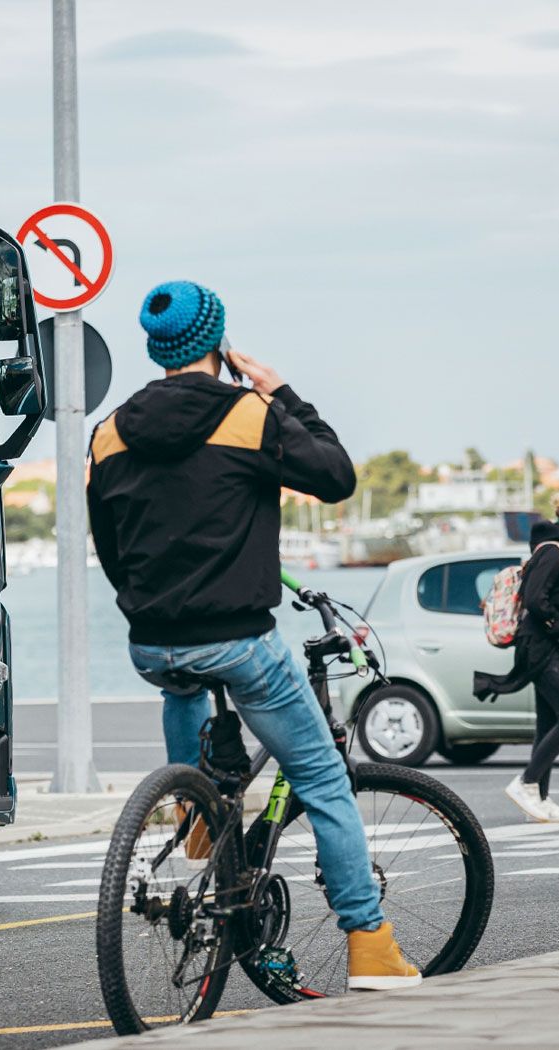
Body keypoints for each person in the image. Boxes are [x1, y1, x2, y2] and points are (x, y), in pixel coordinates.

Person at [87, 280, 421, 991]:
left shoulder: (109, 430)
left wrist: (150, 608)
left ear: (157, 347)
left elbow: (109, 544)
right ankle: (369, 941)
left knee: (181, 678)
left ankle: (200, 805)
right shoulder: (247, 413)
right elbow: (335, 478)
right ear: (218, 344)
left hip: (151, 640)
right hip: (238, 635)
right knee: (325, 778)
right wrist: (283, 395)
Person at [495, 494, 559, 824]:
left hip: (550, 645)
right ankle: (526, 783)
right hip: (539, 644)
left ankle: (538, 798)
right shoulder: (554, 550)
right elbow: (534, 598)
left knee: (548, 723)